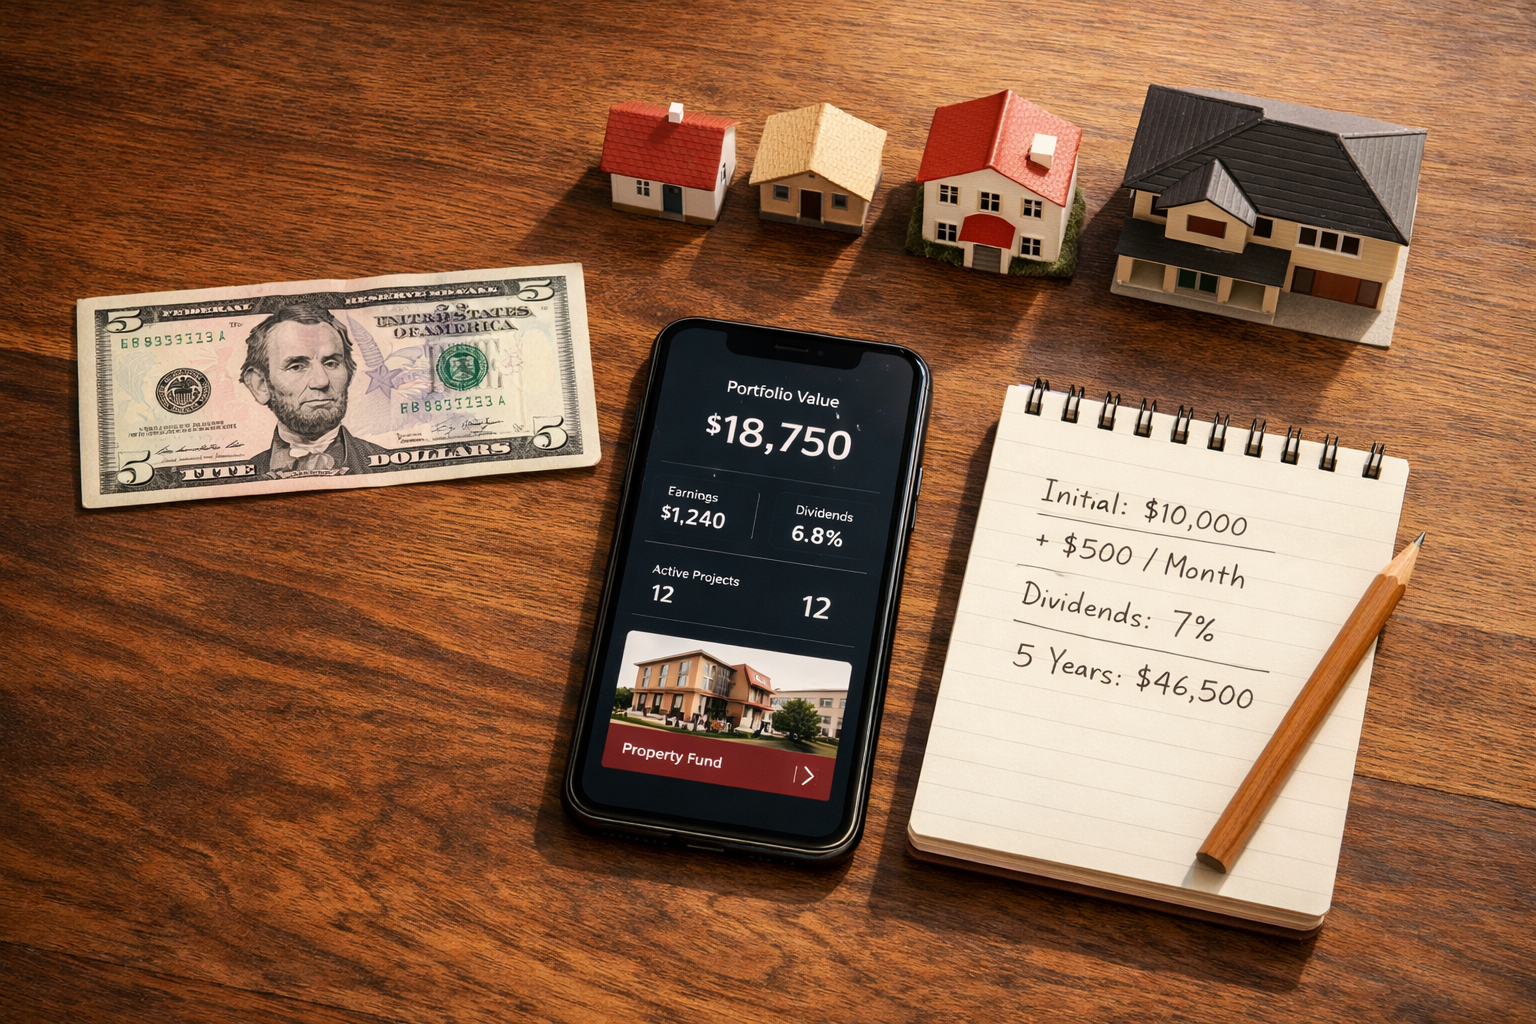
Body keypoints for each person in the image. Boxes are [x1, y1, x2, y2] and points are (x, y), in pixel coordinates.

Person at [239, 302, 388, 477]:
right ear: (260, 385)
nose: (321, 381)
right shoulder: (242, 478)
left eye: (331, 364)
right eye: (296, 366)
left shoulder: (387, 463)